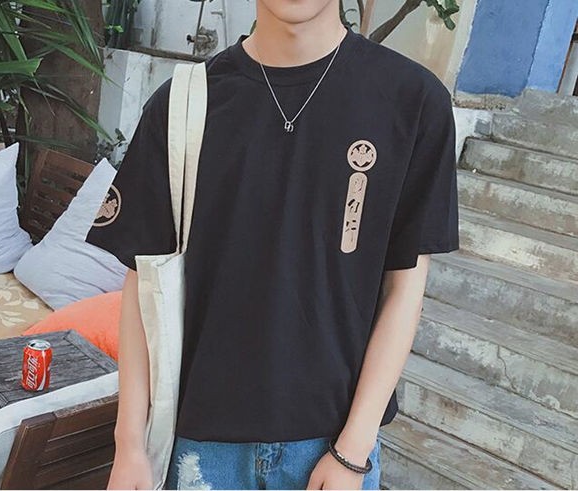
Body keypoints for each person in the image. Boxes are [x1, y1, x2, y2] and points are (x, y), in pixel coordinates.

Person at [85, 0, 459, 489]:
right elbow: (143, 283)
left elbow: (405, 290)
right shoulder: (182, 104)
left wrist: (352, 452)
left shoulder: (412, 101)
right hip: (199, 447)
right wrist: (129, 443)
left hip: (332, 446)